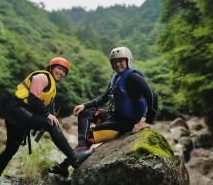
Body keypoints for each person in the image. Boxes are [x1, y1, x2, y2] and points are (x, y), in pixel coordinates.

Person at [49, 47, 158, 176]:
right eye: (114, 62)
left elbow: (152, 95)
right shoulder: (116, 77)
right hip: (114, 116)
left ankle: (65, 165)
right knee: (85, 113)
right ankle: (81, 148)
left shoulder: (133, 76)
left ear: (128, 61)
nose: (117, 64)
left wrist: (146, 121)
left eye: (121, 61)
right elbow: (104, 98)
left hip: (125, 123)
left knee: (89, 136)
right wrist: (84, 105)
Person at [0, 57, 92, 184]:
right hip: (17, 110)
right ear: (51, 67)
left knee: (10, 151)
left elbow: (48, 109)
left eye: (64, 71)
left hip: (17, 116)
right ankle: (74, 157)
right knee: (49, 124)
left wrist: (49, 118)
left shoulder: (52, 88)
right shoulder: (43, 77)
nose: (61, 72)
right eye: (59, 68)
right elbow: (33, 98)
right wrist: (47, 116)